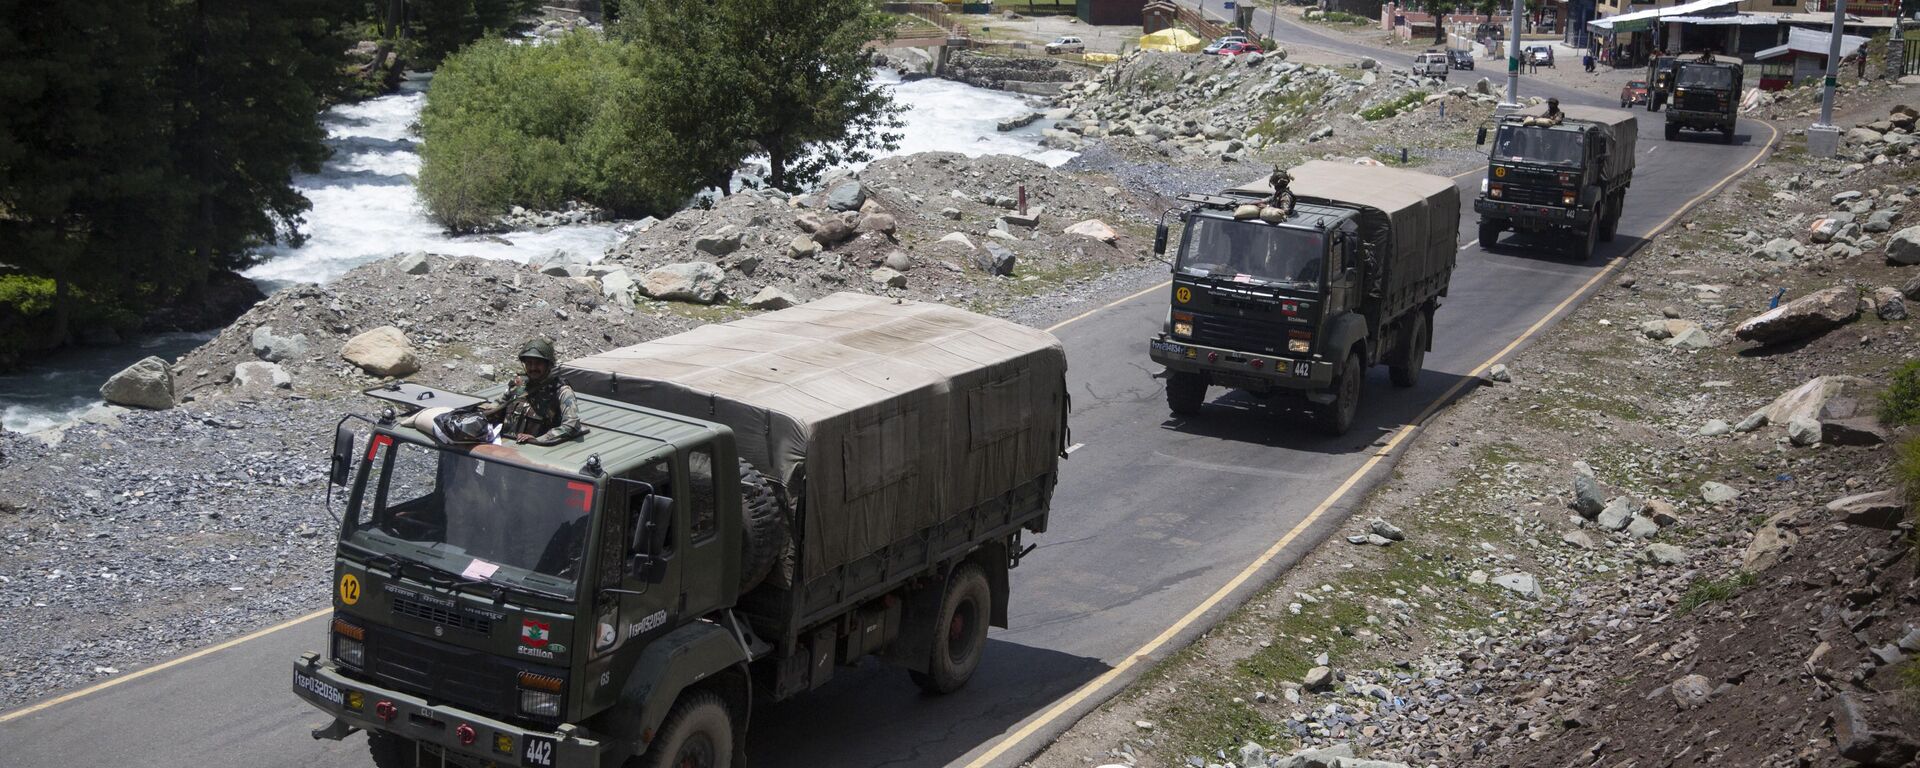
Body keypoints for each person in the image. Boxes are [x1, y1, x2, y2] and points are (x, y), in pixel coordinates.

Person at [484, 338, 584, 446]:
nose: (533, 367)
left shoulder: (561, 391)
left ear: (549, 364)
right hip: (504, 446)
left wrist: (540, 439)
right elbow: (498, 404)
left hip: (535, 452)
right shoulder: (518, 384)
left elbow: (572, 425)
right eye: (529, 363)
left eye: (538, 363)